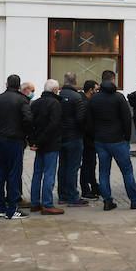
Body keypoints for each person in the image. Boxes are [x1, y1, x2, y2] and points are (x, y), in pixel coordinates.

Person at [89, 73, 136, 209]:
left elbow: (89, 121)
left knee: (104, 172)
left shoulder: (94, 98)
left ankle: (107, 201)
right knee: (127, 172)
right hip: (117, 140)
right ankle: (135, 200)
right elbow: (127, 119)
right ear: (113, 80)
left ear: (102, 80)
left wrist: (94, 136)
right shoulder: (118, 97)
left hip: (100, 140)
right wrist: (126, 138)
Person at [0, 74, 32, 220]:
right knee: (14, 173)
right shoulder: (22, 100)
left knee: (0, 173)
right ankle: (12, 209)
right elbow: (28, 119)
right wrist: (25, 133)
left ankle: (1, 207)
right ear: (19, 86)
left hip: (1, 140)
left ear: (6, 84)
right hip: (16, 140)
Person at [28, 80, 63, 214]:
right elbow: (54, 125)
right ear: (55, 90)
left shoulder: (35, 103)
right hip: (51, 144)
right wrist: (40, 141)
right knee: (49, 174)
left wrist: (34, 142)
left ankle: (35, 203)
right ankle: (47, 204)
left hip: (39, 144)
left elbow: (30, 123)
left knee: (37, 173)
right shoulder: (55, 103)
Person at [56, 72, 88, 206]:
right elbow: (81, 118)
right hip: (74, 137)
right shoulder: (77, 97)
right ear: (75, 82)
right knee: (73, 167)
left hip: (60, 136)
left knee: (62, 166)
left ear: (64, 81)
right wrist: (82, 131)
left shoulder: (58, 96)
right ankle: (73, 196)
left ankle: (62, 196)